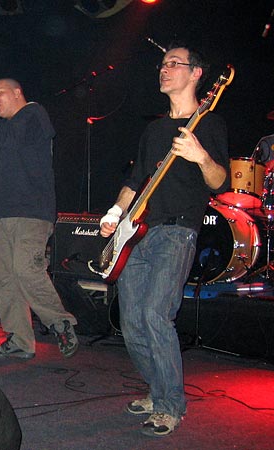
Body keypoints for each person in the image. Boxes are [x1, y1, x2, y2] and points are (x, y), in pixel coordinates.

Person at [99, 42, 230, 436]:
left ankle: (171, 405)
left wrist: (199, 155)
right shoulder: (154, 129)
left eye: (174, 63)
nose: (165, 68)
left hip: (177, 231)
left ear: (196, 74)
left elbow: (219, 181)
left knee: (156, 314)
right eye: (162, 63)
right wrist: (114, 214)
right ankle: (157, 391)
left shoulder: (209, 124)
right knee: (131, 321)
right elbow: (134, 181)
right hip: (137, 233)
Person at [0, 78, 79, 360]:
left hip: (32, 212)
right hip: (6, 213)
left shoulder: (33, 113)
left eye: (0, 92)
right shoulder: (11, 126)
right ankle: (20, 340)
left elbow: (0, 135)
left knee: (25, 269)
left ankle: (60, 322)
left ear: (18, 92)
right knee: (2, 276)